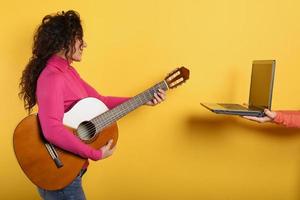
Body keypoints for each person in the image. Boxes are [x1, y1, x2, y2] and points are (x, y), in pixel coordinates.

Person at [18, 10, 166, 200]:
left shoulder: (68, 73)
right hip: (58, 173)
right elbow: (52, 129)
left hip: (71, 172)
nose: (84, 44)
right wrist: (94, 153)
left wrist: (142, 100)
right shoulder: (52, 77)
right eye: (80, 39)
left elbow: (101, 101)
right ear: (64, 41)